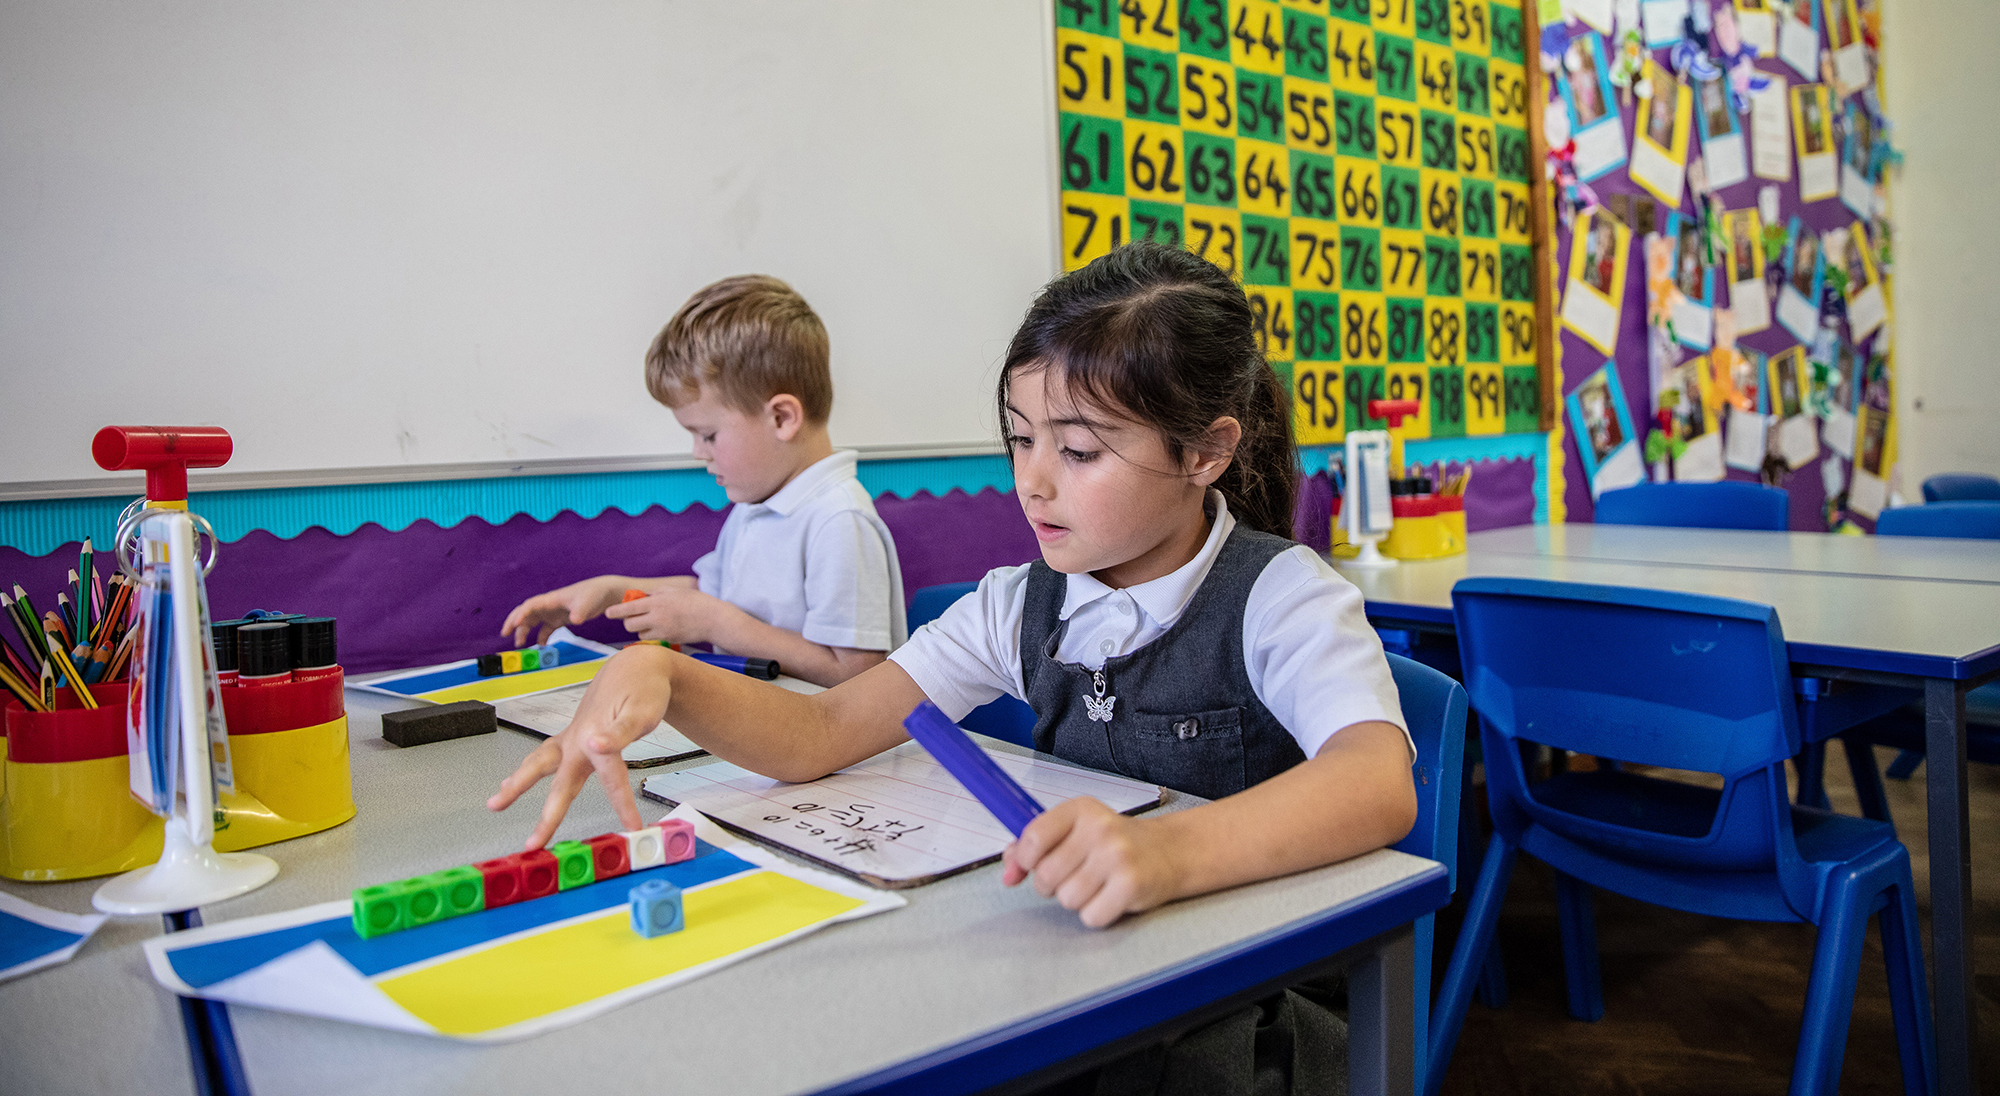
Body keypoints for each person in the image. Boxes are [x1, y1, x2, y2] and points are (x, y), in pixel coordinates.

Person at [490, 244, 1418, 1093]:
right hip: (1088, 982)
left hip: (1244, 1013)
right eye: (1021, 439)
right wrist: (666, 679)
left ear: (1207, 451)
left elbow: (1376, 781)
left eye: (1079, 449)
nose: (1033, 480)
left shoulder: (1280, 595)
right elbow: (822, 731)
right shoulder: (1017, 604)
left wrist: (1164, 854)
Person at [500, 275, 905, 688]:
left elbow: (860, 675)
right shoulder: (756, 506)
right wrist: (612, 592)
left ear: (781, 418)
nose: (698, 452)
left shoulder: (839, 521)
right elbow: (713, 594)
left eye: (708, 435)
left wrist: (718, 624)